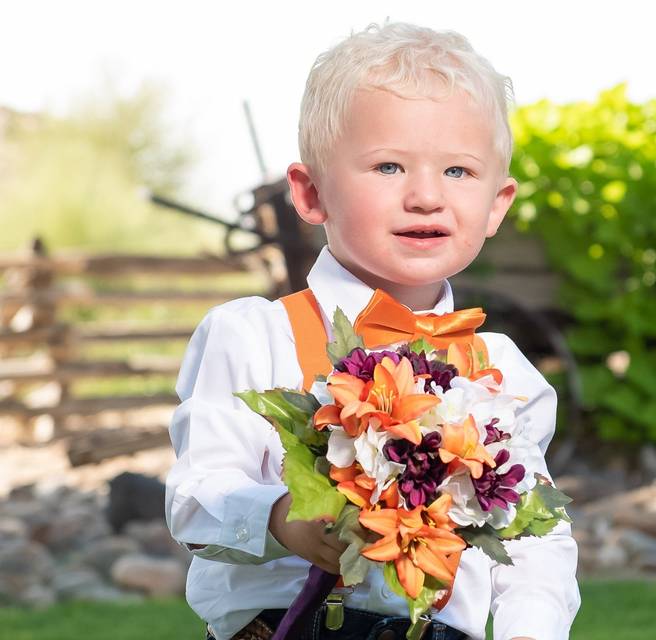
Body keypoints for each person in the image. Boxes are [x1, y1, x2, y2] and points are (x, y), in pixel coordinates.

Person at [164, 21, 580, 640]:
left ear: (498, 204)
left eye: (459, 172)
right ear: (310, 193)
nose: (425, 197)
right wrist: (280, 518)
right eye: (388, 166)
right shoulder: (254, 336)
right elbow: (197, 498)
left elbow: (534, 538)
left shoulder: (502, 370)